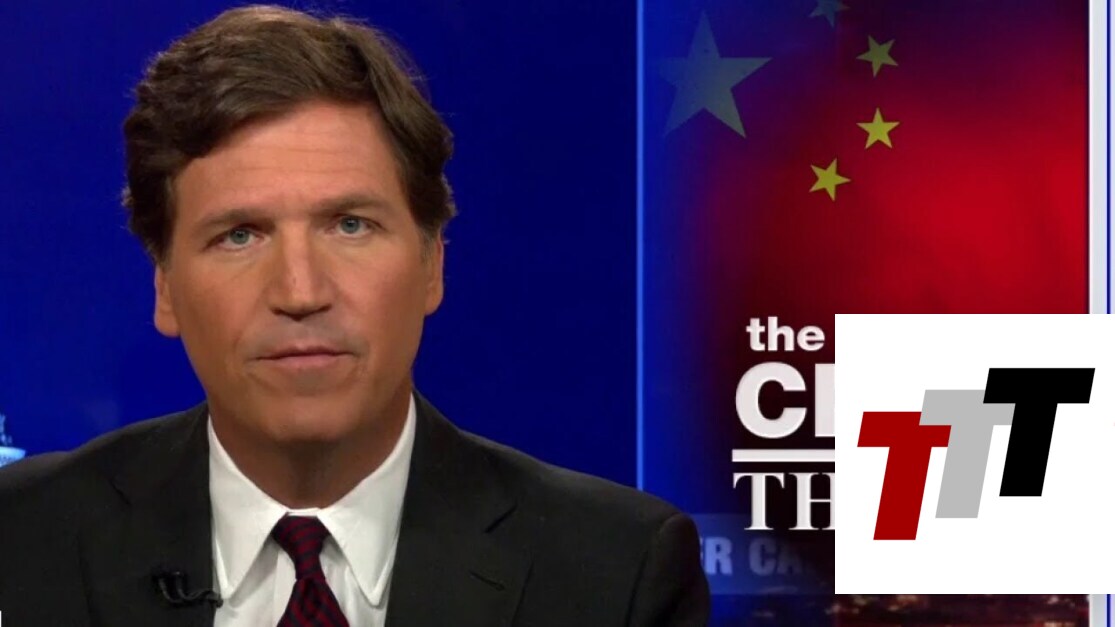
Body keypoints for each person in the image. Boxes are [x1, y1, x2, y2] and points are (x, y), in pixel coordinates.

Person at [0, 5, 709, 626]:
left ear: (431, 264)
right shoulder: (21, 541)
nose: (300, 290)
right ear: (164, 286)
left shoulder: (616, 573)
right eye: (240, 235)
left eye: (349, 225)